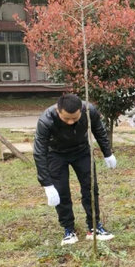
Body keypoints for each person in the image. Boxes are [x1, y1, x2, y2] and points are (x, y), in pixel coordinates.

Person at [34, 93, 117, 245]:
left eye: (75, 118)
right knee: (61, 191)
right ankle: (68, 229)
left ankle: (94, 226)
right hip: (56, 154)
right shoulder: (46, 120)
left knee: (90, 187)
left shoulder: (89, 111)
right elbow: (39, 152)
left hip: (81, 151)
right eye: (66, 118)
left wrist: (108, 153)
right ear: (58, 111)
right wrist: (47, 184)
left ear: (81, 110)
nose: (71, 122)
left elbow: (99, 131)